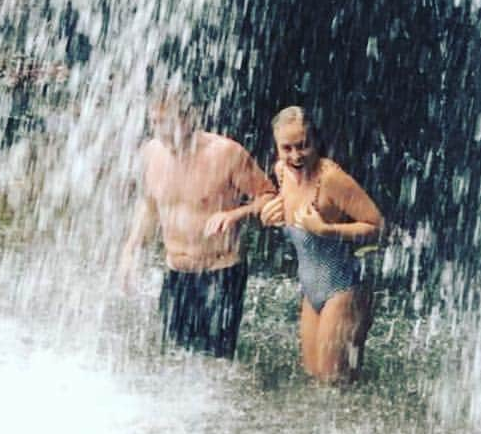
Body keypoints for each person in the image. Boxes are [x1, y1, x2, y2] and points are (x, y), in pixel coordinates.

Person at [119, 89, 274, 359]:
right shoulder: (151, 153)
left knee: (215, 364)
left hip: (221, 271)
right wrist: (130, 251)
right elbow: (150, 206)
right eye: (154, 122)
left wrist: (235, 214)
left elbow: (269, 196)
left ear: (191, 117)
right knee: (174, 359)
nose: (160, 131)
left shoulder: (226, 153)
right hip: (176, 272)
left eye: (167, 123)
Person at [260, 105, 384, 383]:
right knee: (313, 375)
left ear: (315, 141)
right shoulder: (281, 172)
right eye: (287, 148)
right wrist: (268, 214)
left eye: (303, 146)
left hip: (342, 286)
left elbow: (377, 226)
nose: (295, 156)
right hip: (311, 289)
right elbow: (278, 206)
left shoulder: (331, 179)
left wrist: (327, 230)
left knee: (333, 383)